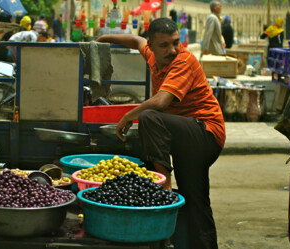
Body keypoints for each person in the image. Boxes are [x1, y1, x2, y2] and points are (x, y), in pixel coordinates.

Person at [96, 18, 225, 249]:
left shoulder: (183, 60)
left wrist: (129, 115)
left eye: (176, 42)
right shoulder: (152, 54)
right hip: (186, 136)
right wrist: (104, 39)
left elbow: (162, 102)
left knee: (149, 117)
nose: (172, 50)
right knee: (195, 202)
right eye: (164, 45)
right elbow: (135, 41)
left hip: (205, 133)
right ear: (152, 45)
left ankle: (163, 186)